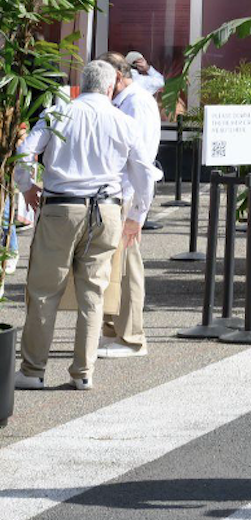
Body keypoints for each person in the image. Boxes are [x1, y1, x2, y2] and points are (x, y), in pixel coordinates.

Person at [12, 60, 159, 391]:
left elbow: (24, 152)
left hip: (60, 208)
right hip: (106, 210)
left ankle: (34, 370)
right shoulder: (122, 121)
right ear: (109, 88)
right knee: (93, 292)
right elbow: (144, 173)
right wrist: (137, 215)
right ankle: (83, 372)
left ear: (83, 83)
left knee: (44, 291)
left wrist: (27, 186)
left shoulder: (59, 113)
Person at [99, 52, 161, 358]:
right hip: (118, 193)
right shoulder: (125, 101)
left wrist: (138, 212)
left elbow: (142, 160)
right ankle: (114, 329)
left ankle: (132, 337)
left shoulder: (137, 103)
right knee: (117, 265)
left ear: (117, 78)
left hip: (128, 195)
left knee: (129, 266)